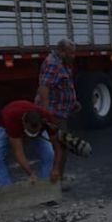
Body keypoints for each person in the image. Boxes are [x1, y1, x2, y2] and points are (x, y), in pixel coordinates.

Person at [36, 39, 80, 188]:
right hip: (55, 113)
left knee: (60, 147)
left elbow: (63, 86)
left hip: (61, 111)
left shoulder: (62, 63)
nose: (73, 56)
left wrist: (72, 102)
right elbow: (44, 88)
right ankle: (54, 184)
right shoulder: (53, 64)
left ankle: (57, 180)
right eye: (71, 53)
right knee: (60, 148)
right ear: (61, 51)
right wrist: (47, 112)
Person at [0, 100, 63, 186]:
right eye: (31, 131)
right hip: (5, 126)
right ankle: (5, 187)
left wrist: (56, 169)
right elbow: (18, 152)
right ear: (24, 123)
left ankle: (45, 185)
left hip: (37, 128)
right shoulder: (12, 119)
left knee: (49, 154)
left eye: (35, 131)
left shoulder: (47, 118)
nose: (31, 135)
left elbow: (57, 147)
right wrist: (30, 174)